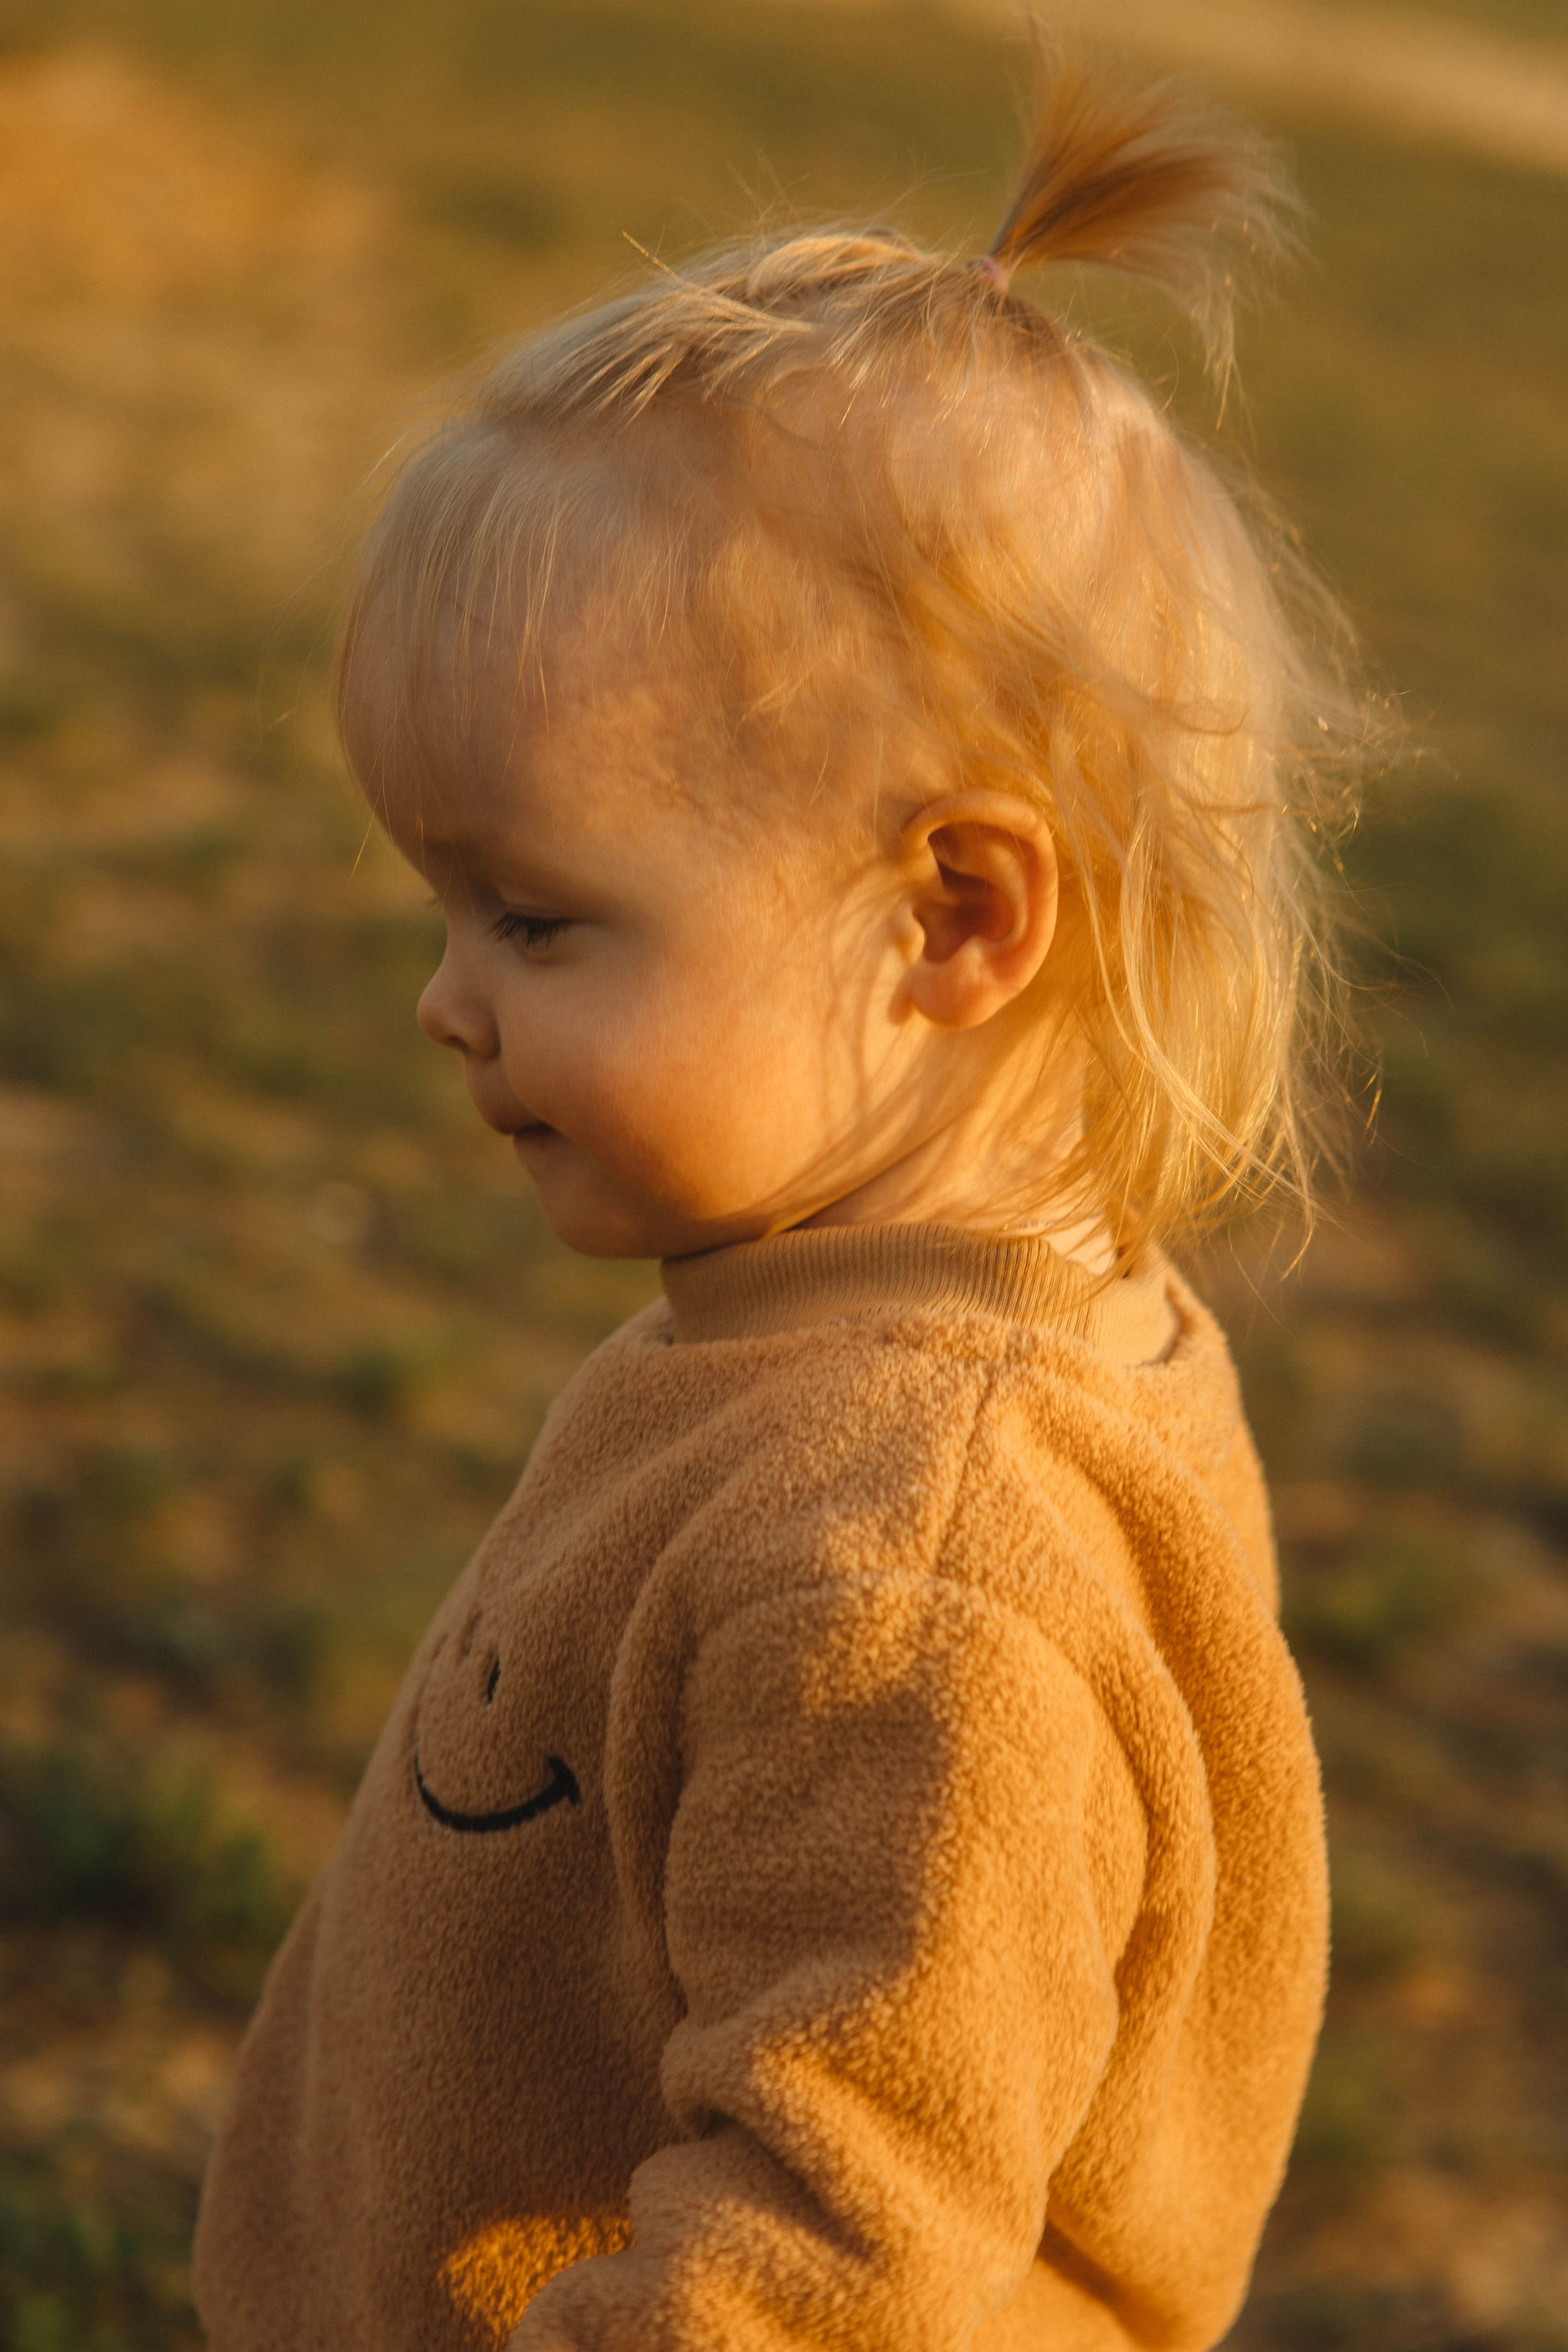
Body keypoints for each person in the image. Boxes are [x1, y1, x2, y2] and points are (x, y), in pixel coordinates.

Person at [194, 44, 1356, 2352]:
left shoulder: (917, 1568)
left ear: (949, 924)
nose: (447, 1004)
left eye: (534, 921)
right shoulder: (853, 1335)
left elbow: (839, 2254)